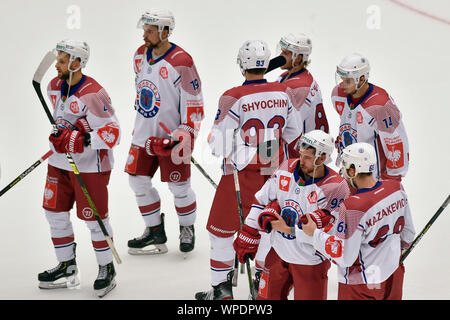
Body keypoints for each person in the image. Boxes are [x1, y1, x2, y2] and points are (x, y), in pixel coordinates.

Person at [194, 40, 301, 300]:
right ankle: (262, 288)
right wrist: (268, 149)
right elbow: (294, 131)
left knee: (220, 231)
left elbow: (218, 145)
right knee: (266, 228)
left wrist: (240, 147)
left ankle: (222, 291)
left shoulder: (234, 96)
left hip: (239, 176)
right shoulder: (282, 92)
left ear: (242, 65)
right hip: (274, 176)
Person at [40, 39, 121, 298]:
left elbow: (113, 134)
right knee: (54, 213)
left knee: (95, 220)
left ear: (77, 62)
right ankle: (67, 266)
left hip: (90, 167)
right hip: (58, 162)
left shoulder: (93, 93)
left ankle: (106, 268)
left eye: (62, 60)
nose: (57, 65)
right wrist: (60, 138)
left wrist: (80, 140)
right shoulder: (54, 85)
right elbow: (62, 121)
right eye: (58, 59)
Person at [234, 130, 350, 300]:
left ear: (322, 158)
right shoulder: (286, 168)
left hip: (310, 262)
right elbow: (262, 200)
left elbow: (332, 237)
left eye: (308, 157)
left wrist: (289, 230)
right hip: (278, 253)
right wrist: (249, 231)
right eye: (301, 155)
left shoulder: (336, 187)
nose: (301, 161)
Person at [125, 8, 204, 255]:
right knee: (137, 181)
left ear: (165, 31)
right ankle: (155, 230)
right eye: (144, 30)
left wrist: (185, 134)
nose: (144, 36)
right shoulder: (139, 55)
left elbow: (195, 102)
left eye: (150, 31)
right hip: (142, 136)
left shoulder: (182, 61)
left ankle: (187, 228)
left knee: (179, 187)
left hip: (173, 139)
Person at [302, 142, 415, 300]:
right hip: (393, 274)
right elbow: (409, 235)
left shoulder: (353, 207)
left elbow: (345, 257)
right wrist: (390, 255)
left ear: (353, 170)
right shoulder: (396, 188)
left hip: (362, 284)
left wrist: (314, 234)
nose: (343, 172)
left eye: (345, 167)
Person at [332, 53, 409, 182]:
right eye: (342, 79)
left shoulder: (381, 105)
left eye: (348, 81)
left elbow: (395, 143)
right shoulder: (338, 95)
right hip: (350, 173)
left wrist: (392, 179)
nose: (343, 84)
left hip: (373, 180)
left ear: (361, 79)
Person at [277, 33, 329, 158]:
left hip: (302, 155)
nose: (280, 56)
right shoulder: (287, 77)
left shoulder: (298, 86)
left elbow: (280, 126)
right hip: (307, 151)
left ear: (298, 58)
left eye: (285, 53)